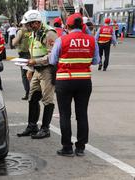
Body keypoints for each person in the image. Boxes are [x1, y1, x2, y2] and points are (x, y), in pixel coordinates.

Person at [49, 13, 100, 156]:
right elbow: (96, 61)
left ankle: (67, 147)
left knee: (65, 115)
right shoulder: (91, 40)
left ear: (68, 26)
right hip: (84, 81)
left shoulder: (61, 40)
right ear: (82, 26)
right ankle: (81, 147)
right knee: (82, 114)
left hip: (65, 81)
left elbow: (52, 61)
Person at [17, 10, 58, 139]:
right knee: (33, 97)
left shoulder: (49, 33)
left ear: (36, 22)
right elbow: (33, 52)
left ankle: (45, 129)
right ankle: (32, 126)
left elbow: (53, 55)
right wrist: (30, 68)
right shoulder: (34, 33)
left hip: (47, 70)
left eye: (28, 24)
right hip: (37, 69)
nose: (26, 27)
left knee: (47, 99)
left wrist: (36, 62)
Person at [12, 21, 32, 100]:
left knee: (24, 75)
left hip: (23, 55)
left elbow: (14, 43)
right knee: (33, 74)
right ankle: (36, 92)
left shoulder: (21, 31)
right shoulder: (33, 30)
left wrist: (14, 39)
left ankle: (27, 93)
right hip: (33, 54)